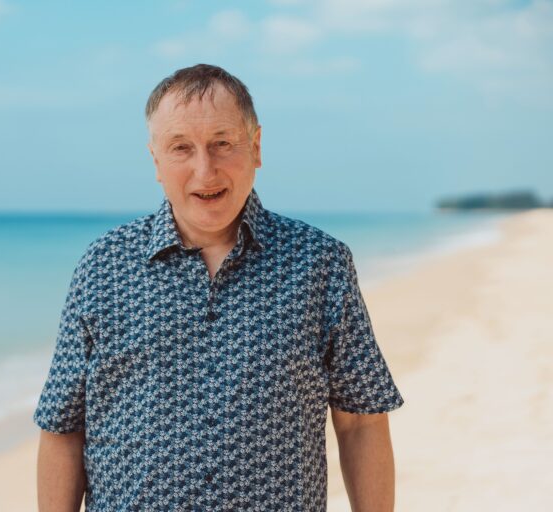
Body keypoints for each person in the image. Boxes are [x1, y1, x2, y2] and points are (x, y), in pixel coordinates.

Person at [34, 63, 404, 512]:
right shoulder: (103, 266)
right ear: (156, 160)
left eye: (222, 144)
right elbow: (62, 429)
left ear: (256, 147)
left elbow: (361, 422)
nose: (204, 170)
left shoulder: (320, 264)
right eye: (181, 148)